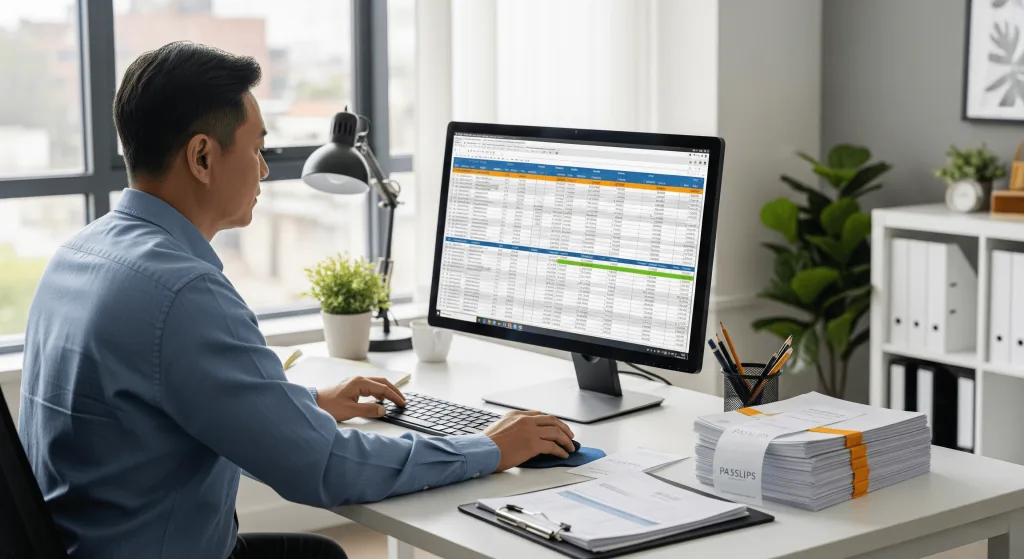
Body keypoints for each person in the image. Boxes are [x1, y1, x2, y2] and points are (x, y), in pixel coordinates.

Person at [18, 41, 575, 559]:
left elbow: (171, 400)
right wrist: (490, 447)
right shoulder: (184, 292)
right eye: (257, 148)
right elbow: (327, 468)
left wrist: (303, 405)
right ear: (202, 157)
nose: (263, 169)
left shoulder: (78, 254)